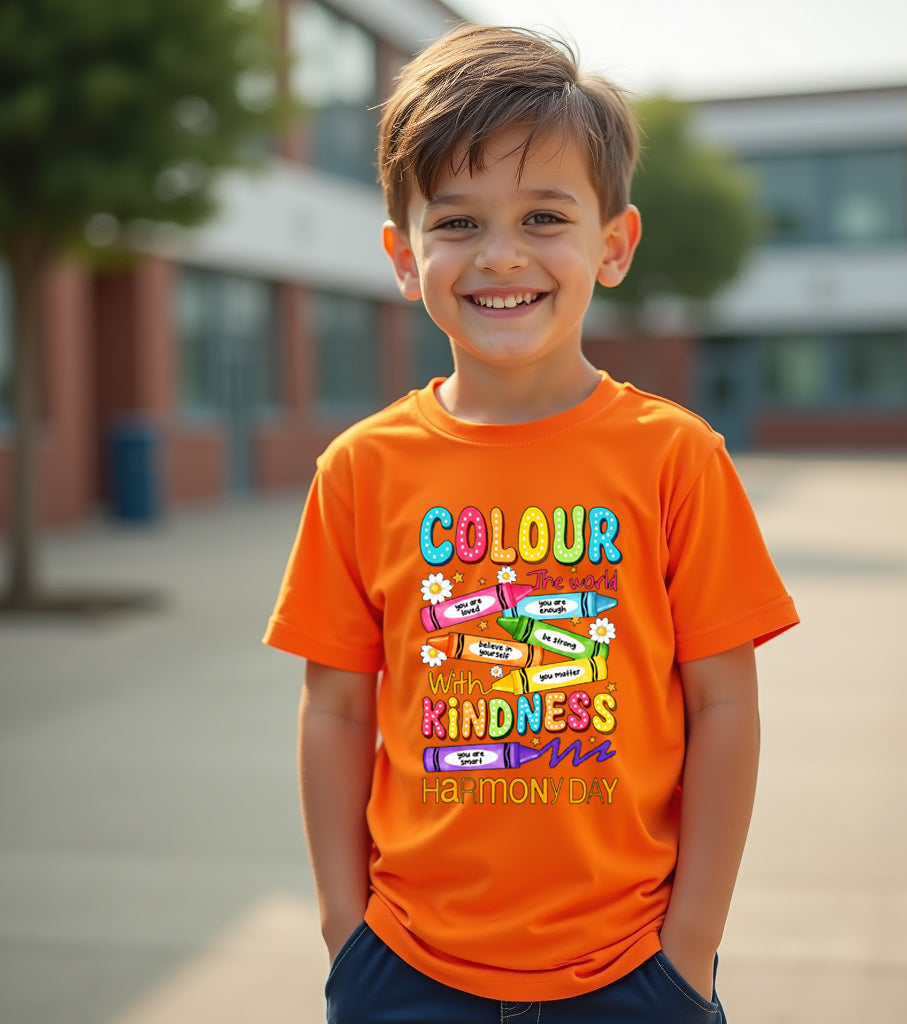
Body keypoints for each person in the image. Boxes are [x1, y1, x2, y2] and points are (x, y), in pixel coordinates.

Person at [264, 22, 798, 1024]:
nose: (500, 255)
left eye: (544, 216)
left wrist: (689, 948)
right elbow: (333, 710)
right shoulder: (361, 470)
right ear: (403, 255)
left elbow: (724, 705)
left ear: (613, 244)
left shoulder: (675, 457)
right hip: (406, 970)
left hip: (633, 972)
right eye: (457, 223)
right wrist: (346, 930)